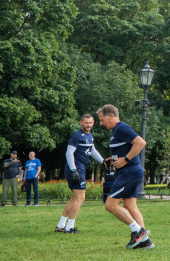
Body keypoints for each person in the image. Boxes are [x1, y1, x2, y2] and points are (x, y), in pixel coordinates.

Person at [98, 104, 154, 250]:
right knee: (130, 205)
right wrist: (114, 158)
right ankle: (145, 241)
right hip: (131, 172)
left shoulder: (121, 128)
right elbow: (127, 148)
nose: (101, 123)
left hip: (129, 172)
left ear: (111, 115)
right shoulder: (117, 131)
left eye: (102, 120)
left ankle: (138, 231)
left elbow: (140, 142)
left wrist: (126, 160)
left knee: (110, 205)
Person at [55, 114, 105, 233]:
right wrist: (73, 170)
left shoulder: (89, 136)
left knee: (74, 198)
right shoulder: (77, 135)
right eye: (86, 123)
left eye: (90, 123)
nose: (88, 125)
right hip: (76, 170)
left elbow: (92, 150)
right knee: (80, 197)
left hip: (80, 169)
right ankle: (69, 227)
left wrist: (103, 161)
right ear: (80, 123)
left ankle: (61, 225)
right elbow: (69, 153)